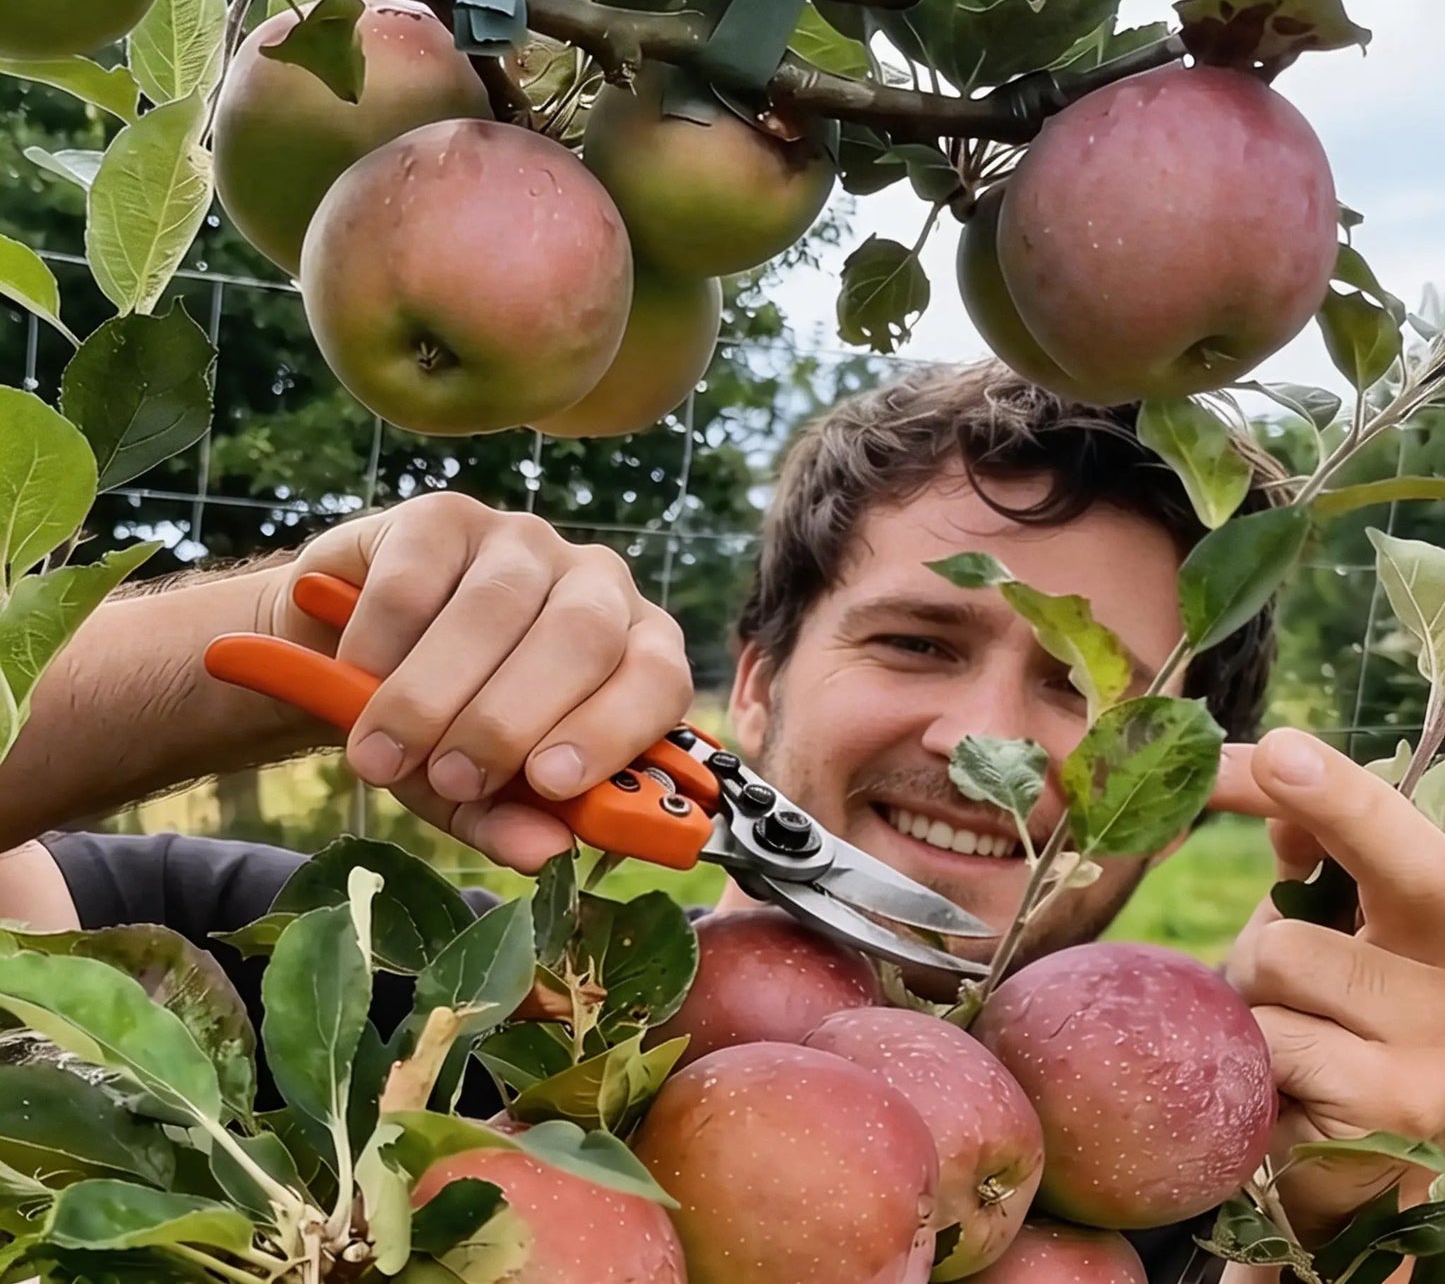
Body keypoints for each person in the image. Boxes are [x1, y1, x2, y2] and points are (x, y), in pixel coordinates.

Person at [1, 360, 1440, 1283]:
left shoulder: (1228, 1179)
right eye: (918, 643)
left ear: (1179, 786)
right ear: (746, 685)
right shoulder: (386, 1001)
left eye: (1091, 684)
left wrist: (1339, 1244)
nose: (986, 737)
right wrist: (262, 633)